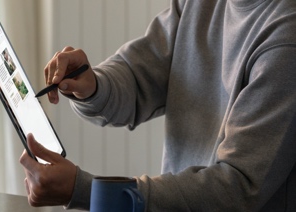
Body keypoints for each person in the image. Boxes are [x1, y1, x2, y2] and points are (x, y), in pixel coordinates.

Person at [19, 0, 296, 211]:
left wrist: (89, 192)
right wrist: (91, 86)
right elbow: (139, 76)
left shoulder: (285, 38)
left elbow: (236, 187)